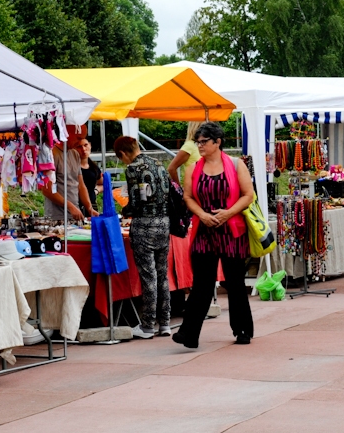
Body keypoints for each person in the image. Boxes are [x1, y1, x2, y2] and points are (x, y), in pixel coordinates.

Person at [175, 122, 256, 347]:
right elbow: (188, 197)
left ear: (217, 142)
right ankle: (189, 334)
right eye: (197, 142)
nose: (199, 146)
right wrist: (201, 214)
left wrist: (227, 214)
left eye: (203, 142)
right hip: (204, 231)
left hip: (232, 231)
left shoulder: (236, 164)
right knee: (201, 283)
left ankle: (242, 330)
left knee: (235, 283)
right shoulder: (193, 168)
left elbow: (248, 195)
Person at [114, 136, 173, 338]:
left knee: (149, 276)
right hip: (164, 224)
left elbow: (137, 203)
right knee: (162, 274)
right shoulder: (159, 164)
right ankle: (165, 322)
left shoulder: (133, 169)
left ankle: (147, 324)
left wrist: (125, 209)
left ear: (123, 153)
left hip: (144, 226)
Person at [40, 127, 98, 222]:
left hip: (74, 215)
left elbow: (81, 185)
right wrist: (70, 206)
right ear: (68, 134)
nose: (80, 142)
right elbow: (47, 189)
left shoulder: (75, 154)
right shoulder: (52, 154)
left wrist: (89, 208)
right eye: (78, 138)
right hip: (57, 217)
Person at [167, 121, 202, 186]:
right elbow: (171, 168)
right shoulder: (189, 146)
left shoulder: (201, 145)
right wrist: (179, 188)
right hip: (193, 189)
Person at [77, 136, 102, 214]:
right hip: (77, 207)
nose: (83, 149)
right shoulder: (73, 168)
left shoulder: (94, 167)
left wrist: (96, 191)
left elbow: (102, 183)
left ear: (90, 145)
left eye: (85, 145)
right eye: (79, 146)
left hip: (92, 206)